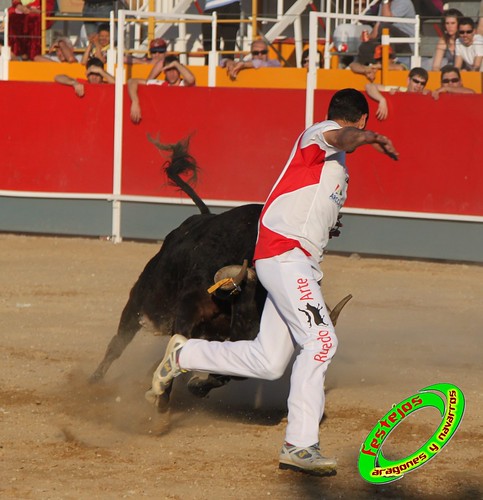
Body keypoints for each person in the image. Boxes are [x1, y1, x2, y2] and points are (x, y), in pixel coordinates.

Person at [144, 88, 399, 477]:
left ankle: (184, 355)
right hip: (286, 257)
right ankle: (300, 445)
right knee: (321, 341)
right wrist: (369, 138)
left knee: (269, 360)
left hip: (296, 261)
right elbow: (341, 135)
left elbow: (312, 204)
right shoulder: (322, 134)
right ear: (362, 119)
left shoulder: (331, 167)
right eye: (363, 127)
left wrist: (328, 224)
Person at [127, 54, 196, 123]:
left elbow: (191, 79)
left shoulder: (184, 84)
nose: (171, 73)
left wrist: (176, 64)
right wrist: (135, 102)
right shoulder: (160, 84)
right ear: (164, 72)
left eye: (174, 69)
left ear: (179, 70)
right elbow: (132, 81)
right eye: (168, 70)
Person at [365, 67, 429, 120]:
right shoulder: (399, 90)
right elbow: (369, 86)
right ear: (408, 80)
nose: (419, 85)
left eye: (422, 83)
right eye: (416, 81)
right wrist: (382, 100)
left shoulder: (426, 95)